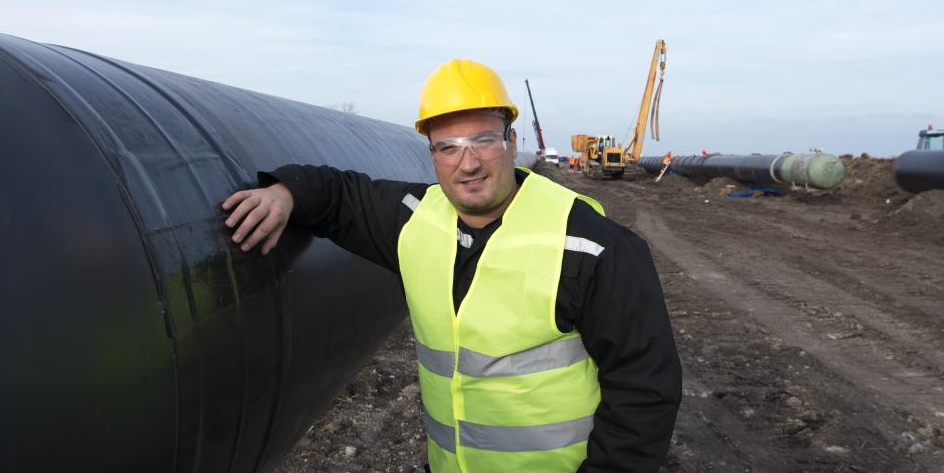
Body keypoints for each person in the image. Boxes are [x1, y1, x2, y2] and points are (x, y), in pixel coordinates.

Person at [222, 59, 681, 472]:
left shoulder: (589, 245)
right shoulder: (415, 220)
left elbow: (644, 392)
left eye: (483, 140)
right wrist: (285, 192)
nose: (468, 163)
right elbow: (339, 195)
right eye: (448, 147)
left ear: (511, 141)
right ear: (432, 155)